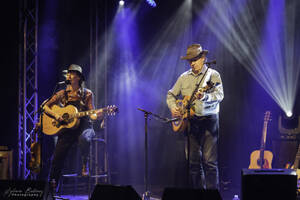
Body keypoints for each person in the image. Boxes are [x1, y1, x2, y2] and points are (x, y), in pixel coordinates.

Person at [166, 44, 224, 189]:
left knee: (210, 162)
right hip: (191, 122)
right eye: (189, 61)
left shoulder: (213, 75)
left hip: (209, 121)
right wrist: (174, 108)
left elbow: (220, 95)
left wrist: (204, 96)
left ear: (203, 58)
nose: (192, 63)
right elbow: (171, 94)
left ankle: (212, 196)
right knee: (193, 162)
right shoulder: (184, 77)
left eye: (195, 60)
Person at [43, 64, 103, 191]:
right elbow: (45, 107)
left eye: (71, 73)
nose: (68, 75)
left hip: (84, 126)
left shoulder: (87, 94)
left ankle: (84, 164)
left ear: (78, 78)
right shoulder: (62, 93)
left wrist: (96, 115)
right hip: (68, 128)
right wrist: (56, 116)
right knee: (56, 158)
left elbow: (91, 113)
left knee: (84, 139)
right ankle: (52, 189)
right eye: (68, 73)